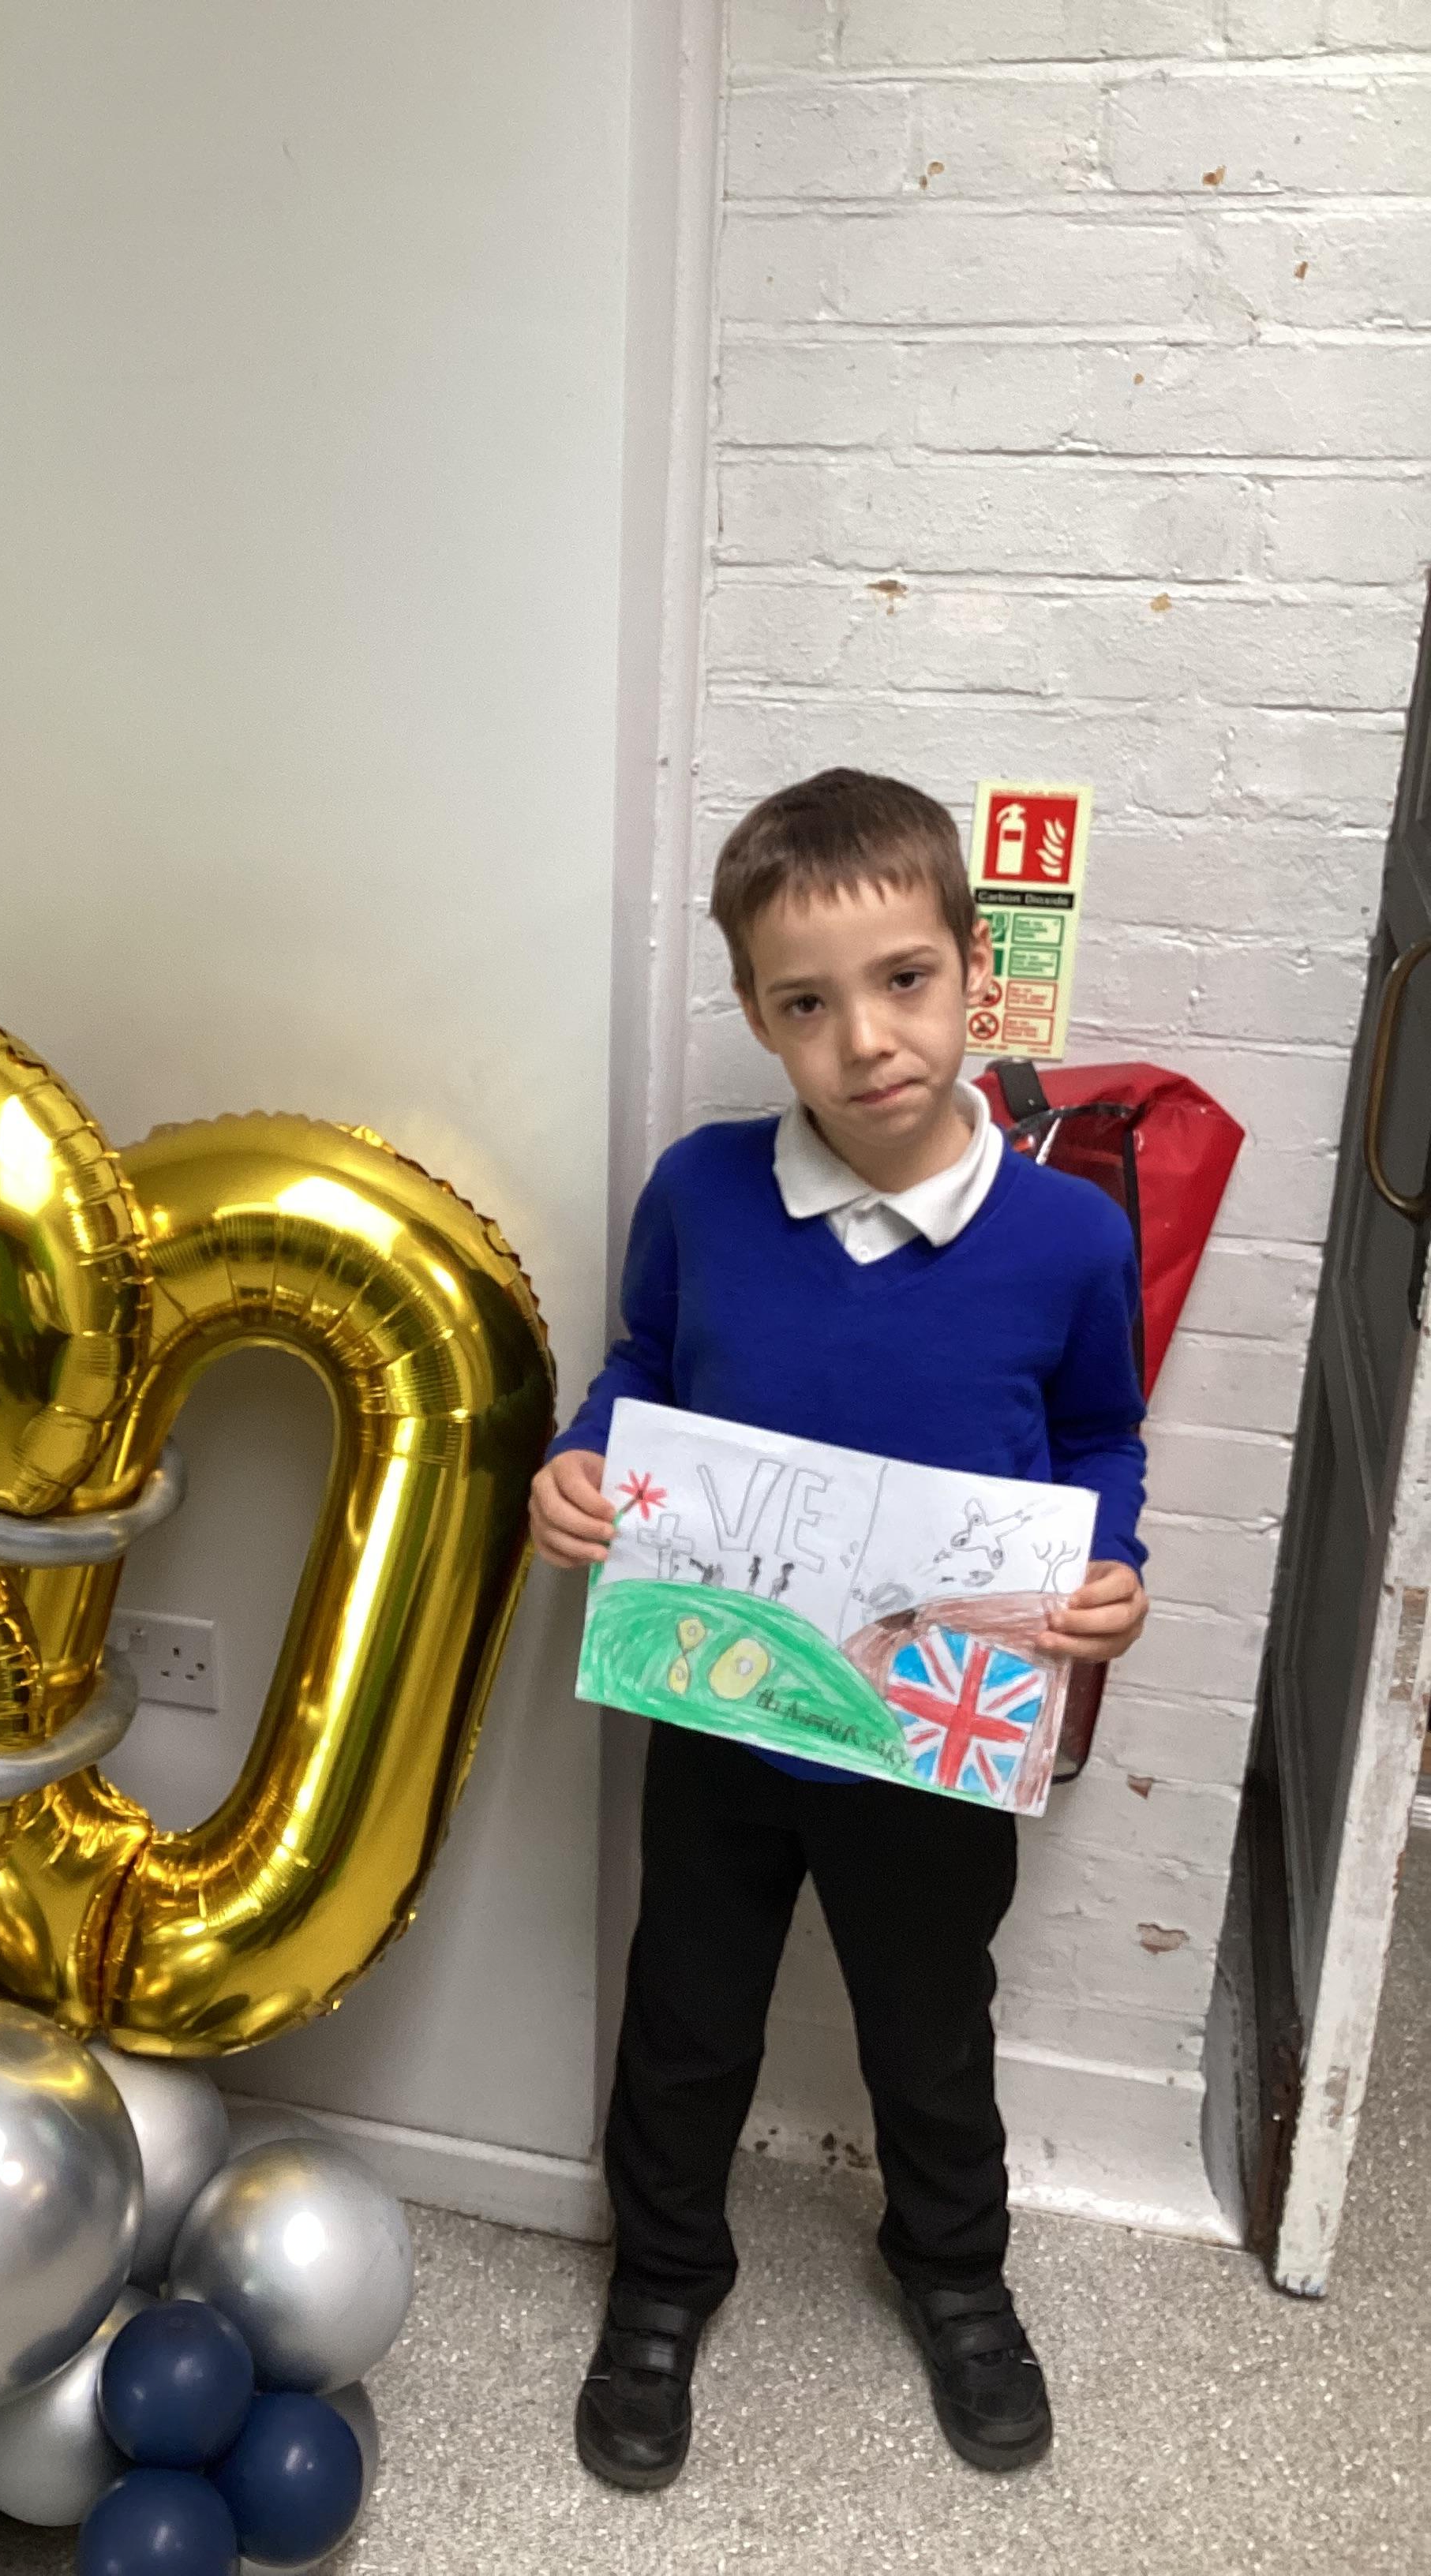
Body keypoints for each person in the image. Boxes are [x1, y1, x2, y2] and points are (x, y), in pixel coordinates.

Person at [531, 768, 1149, 2489]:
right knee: (687, 2011)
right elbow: (647, 1368)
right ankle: (663, 2279)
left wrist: (1109, 1565)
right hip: (722, 1707)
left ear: (975, 975)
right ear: (756, 1015)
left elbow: (1101, 1436)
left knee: (931, 2026)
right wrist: (582, 1462)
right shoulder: (703, 1192)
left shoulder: (1070, 1237)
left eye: (905, 981)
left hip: (940, 1731)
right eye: (806, 1004)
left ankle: (955, 2271)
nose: (866, 1039)